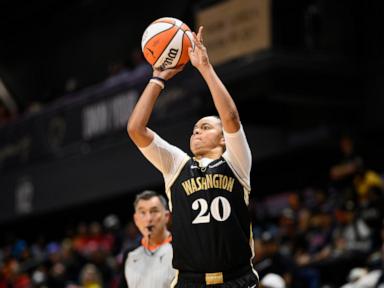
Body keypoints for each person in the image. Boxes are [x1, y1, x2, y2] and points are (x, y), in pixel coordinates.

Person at [127, 26, 259, 287]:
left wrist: (205, 67)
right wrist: (157, 79)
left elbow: (230, 118)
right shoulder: (177, 164)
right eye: (194, 129)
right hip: (190, 282)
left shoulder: (236, 162)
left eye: (206, 127)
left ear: (223, 139)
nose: (197, 131)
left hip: (237, 280)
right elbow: (135, 129)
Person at [124, 190, 175, 288]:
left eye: (154, 211)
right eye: (142, 212)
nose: (148, 219)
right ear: (136, 219)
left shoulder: (182, 250)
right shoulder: (130, 255)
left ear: (167, 216)